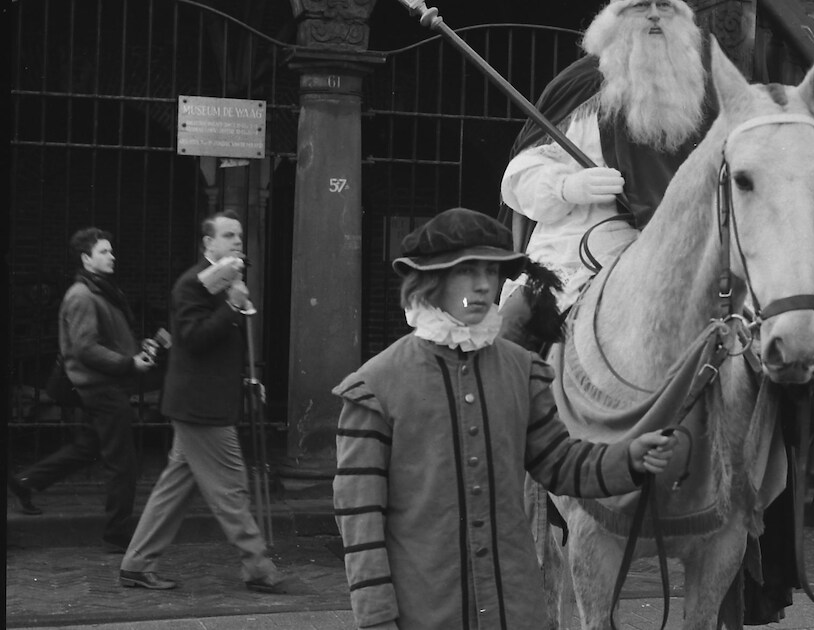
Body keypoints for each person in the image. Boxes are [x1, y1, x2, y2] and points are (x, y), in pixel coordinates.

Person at [331, 208, 677, 630]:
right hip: (424, 611)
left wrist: (629, 457)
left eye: (491, 271)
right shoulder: (374, 387)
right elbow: (360, 520)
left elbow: (560, 463)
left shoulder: (521, 369)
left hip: (514, 608)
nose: (482, 285)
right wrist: (377, 619)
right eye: (467, 272)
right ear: (430, 281)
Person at [500, 0, 714, 312]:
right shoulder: (580, 84)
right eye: (642, 5)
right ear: (615, 19)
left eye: (665, 6)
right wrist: (566, 187)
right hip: (574, 254)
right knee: (516, 326)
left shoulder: (700, 95)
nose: (655, 14)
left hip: (675, 256)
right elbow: (521, 174)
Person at [119, 210, 284, 594]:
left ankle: (136, 565)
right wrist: (232, 306)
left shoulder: (224, 279)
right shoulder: (192, 285)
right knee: (231, 488)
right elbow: (192, 340)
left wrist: (243, 380)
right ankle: (258, 568)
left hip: (202, 402)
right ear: (208, 242)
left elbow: (215, 350)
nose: (237, 241)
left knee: (174, 489)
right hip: (201, 409)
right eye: (228, 235)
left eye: (239, 235)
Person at [11, 228, 155, 548]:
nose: (112, 256)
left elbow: (108, 338)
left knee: (88, 448)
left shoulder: (101, 291)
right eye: (104, 251)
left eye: (111, 250)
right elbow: (85, 348)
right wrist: (129, 363)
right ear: (86, 259)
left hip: (104, 385)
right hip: (102, 389)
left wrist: (136, 349)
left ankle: (26, 482)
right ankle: (117, 535)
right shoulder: (82, 296)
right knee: (123, 464)